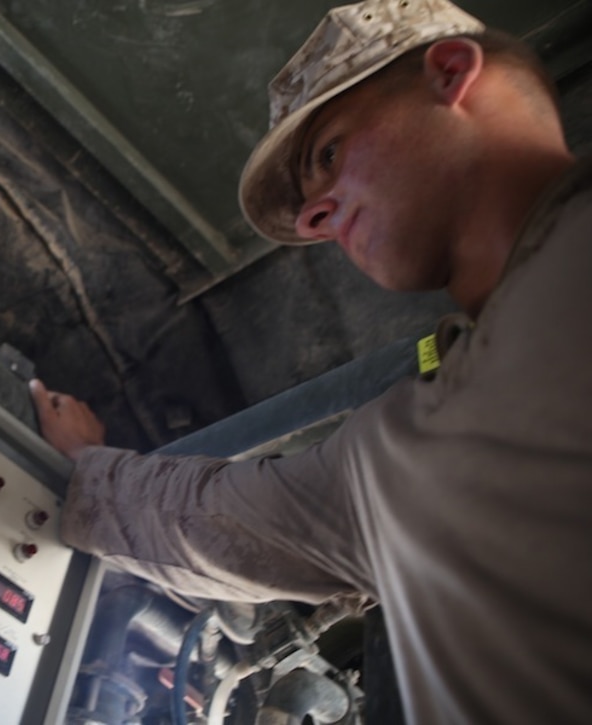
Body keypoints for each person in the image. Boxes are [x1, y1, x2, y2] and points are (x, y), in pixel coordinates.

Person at [29, 0, 591, 722]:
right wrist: (90, 462)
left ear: (450, 74)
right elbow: (210, 521)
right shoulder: (389, 456)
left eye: (328, 154)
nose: (310, 219)